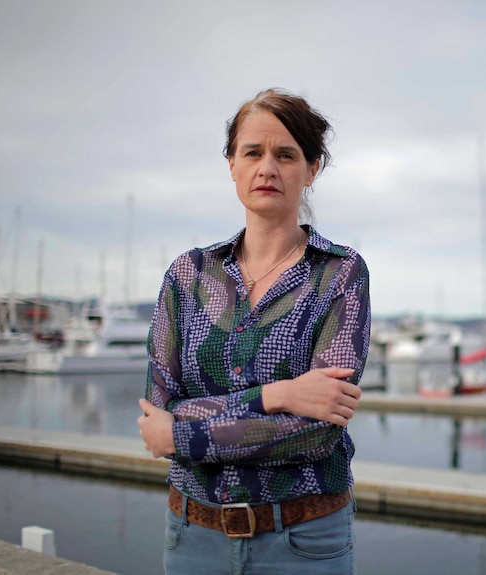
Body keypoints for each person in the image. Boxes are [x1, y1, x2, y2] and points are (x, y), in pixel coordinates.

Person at [137, 88, 371, 575]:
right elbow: (160, 409)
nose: (267, 168)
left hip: (304, 541)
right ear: (232, 165)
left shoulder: (340, 274)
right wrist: (280, 395)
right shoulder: (188, 275)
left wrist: (182, 437)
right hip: (192, 538)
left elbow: (315, 433)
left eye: (286, 154)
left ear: (312, 169)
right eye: (253, 152)